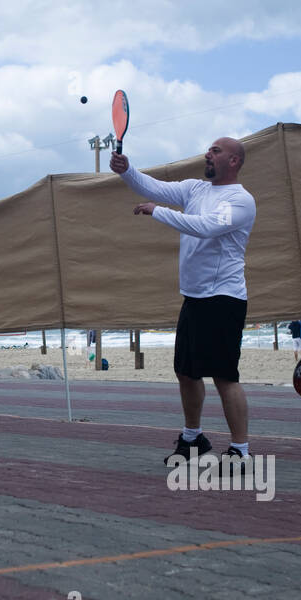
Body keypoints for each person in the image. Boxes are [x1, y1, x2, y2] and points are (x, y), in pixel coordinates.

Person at [110, 138, 257, 462]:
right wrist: (127, 170)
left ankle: (240, 450)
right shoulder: (195, 189)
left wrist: (157, 212)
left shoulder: (241, 200)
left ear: (233, 161)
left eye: (216, 151)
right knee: (186, 373)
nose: (208, 153)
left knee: (224, 376)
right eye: (209, 149)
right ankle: (193, 439)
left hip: (223, 299)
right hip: (194, 297)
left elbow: (205, 227)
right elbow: (153, 186)